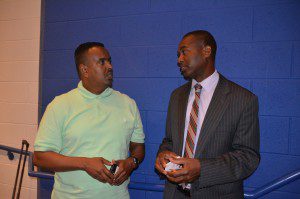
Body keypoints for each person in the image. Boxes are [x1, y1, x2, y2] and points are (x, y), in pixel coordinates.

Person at [155, 30, 260, 198]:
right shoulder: (176, 96)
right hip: (175, 194)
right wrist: (163, 154)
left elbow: (248, 157)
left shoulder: (243, 99)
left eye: (184, 52)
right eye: (178, 54)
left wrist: (201, 169)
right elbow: (169, 141)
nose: (179, 59)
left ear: (206, 51)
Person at [34, 42, 145, 199]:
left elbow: (138, 147)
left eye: (109, 61)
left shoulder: (128, 104)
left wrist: (131, 162)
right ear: (84, 70)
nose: (110, 66)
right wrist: (84, 163)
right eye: (102, 62)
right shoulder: (60, 105)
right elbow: (40, 157)